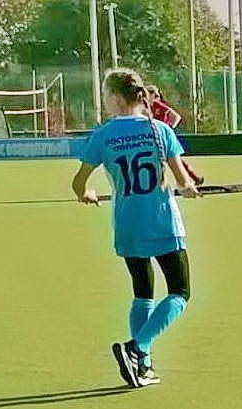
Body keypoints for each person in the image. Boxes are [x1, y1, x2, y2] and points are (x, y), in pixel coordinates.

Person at [71, 68, 201, 388]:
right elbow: (183, 180)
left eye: (105, 96)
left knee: (142, 291)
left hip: (128, 226)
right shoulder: (160, 130)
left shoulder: (103, 135)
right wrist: (187, 188)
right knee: (180, 292)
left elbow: (78, 183)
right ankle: (137, 347)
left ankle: (142, 365)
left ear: (116, 98)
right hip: (162, 223)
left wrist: (86, 194)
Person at [145, 85, 203, 185]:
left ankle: (192, 179)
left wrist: (170, 128)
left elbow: (176, 117)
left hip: (162, 136)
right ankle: (193, 179)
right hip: (154, 137)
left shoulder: (158, 105)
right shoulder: (146, 107)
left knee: (175, 159)